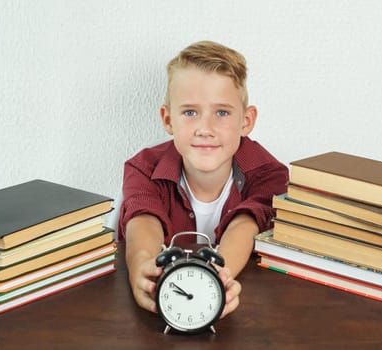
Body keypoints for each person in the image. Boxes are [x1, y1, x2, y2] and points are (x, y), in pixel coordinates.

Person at [118, 40, 288, 318]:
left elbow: (246, 225)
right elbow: (142, 218)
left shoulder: (270, 173)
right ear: (168, 119)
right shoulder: (143, 168)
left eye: (221, 112)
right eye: (190, 112)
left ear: (246, 120)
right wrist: (142, 268)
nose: (205, 129)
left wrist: (220, 278)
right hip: (168, 299)